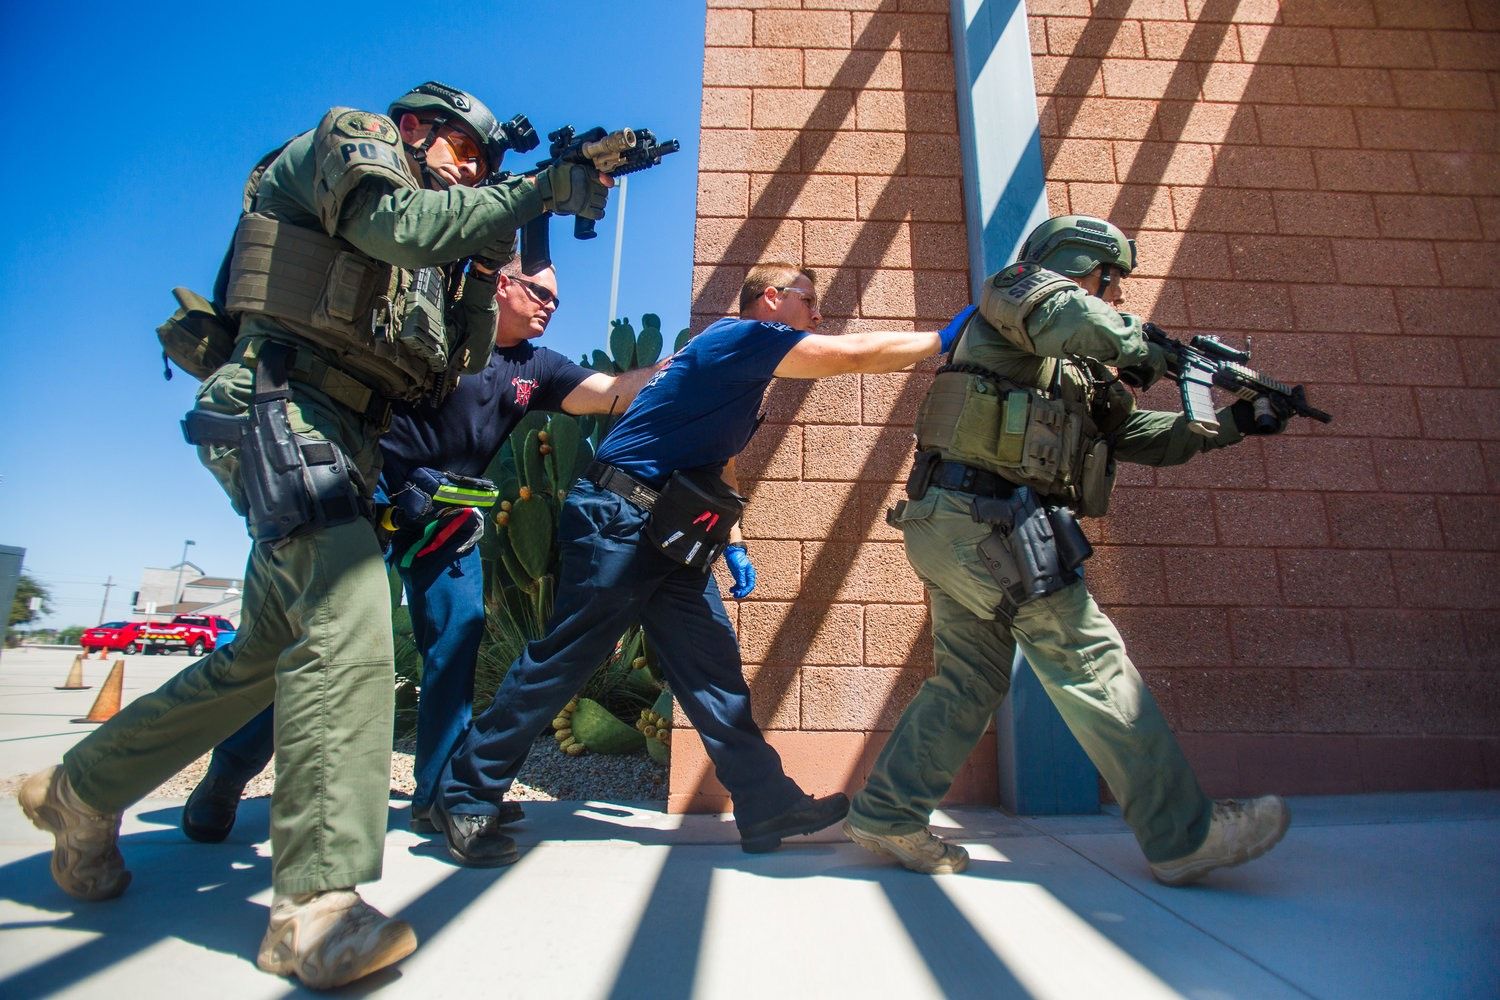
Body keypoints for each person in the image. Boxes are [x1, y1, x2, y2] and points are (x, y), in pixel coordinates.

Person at [18, 82, 611, 989]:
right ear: (415, 127)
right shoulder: (353, 141)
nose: (475, 171)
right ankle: (315, 908)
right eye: (464, 153)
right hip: (279, 402)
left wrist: (495, 242)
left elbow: (451, 362)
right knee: (346, 617)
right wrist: (530, 193)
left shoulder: (444, 238)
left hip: (348, 435)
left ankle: (79, 791)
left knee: (262, 653)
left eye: (487, 166)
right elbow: (398, 228)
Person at [429, 262, 964, 867]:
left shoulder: (740, 372)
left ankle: (766, 805)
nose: (817, 316)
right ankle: (468, 794)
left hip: (668, 532)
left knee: (712, 671)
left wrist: (733, 542)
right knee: (564, 660)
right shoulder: (742, 337)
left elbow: (719, 461)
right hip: (619, 519)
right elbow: (850, 356)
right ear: (771, 298)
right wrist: (944, 340)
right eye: (809, 302)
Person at [843, 214, 1293, 884]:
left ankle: (887, 813)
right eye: (1113, 283)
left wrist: (1232, 423)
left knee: (968, 681)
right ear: (1089, 265)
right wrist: (1152, 347)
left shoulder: (1073, 362)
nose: (1117, 299)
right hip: (991, 520)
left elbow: (1134, 435)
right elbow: (1071, 316)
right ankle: (1183, 836)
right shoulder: (1019, 291)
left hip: (962, 523)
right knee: (1091, 662)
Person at [179, 260, 657, 844]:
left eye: (556, 299)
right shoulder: (436, 335)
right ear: (502, 286)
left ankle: (440, 796)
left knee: (459, 636)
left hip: (447, 514)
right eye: (540, 293)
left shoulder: (538, 366)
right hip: (366, 500)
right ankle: (227, 775)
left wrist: (686, 368)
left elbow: (609, 393)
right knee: (327, 646)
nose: (550, 307)